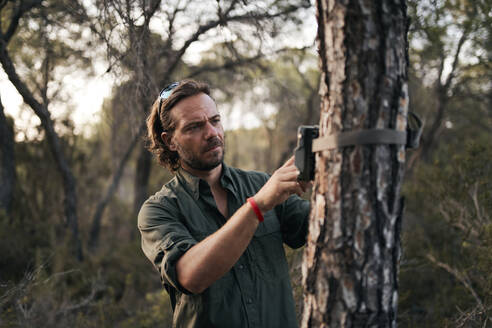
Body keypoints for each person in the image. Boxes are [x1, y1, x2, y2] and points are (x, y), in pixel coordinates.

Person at [138, 79, 310, 328]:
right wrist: (256, 207)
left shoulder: (261, 183)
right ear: (170, 141)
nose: (211, 133)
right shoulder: (159, 210)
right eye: (194, 127)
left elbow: (323, 225)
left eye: (215, 120)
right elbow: (191, 276)